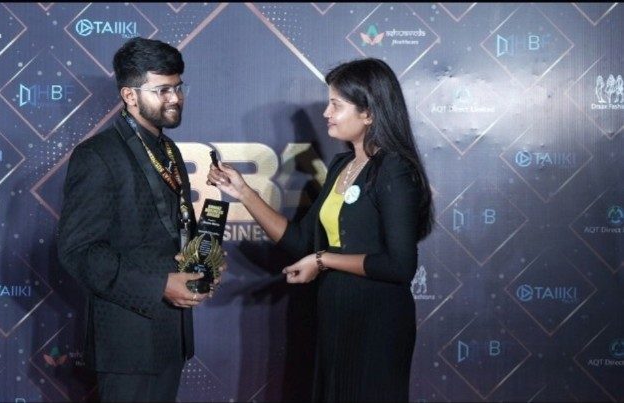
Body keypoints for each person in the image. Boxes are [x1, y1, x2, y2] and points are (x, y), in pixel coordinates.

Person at [208, 57, 434, 401]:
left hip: (377, 320)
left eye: (336, 105)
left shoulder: (394, 169)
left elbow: (400, 266)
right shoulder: (342, 164)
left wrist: (323, 260)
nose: (326, 113)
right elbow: (302, 242)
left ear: (368, 113)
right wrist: (243, 192)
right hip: (335, 315)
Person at [57, 37, 218, 402]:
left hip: (172, 337)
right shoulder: (97, 155)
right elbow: (78, 251)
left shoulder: (169, 149)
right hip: (128, 343)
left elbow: (175, 227)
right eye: (162, 90)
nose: (175, 98)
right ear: (129, 95)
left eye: (178, 87)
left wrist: (204, 261)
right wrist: (159, 285)